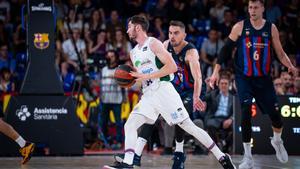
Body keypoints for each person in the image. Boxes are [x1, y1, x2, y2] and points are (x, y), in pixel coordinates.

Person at [103, 15, 236, 169]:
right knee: (130, 124)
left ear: (137, 27)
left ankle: (222, 157)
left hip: (164, 91)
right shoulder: (133, 53)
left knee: (189, 127)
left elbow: (172, 67)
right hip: (149, 95)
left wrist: (146, 76)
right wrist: (131, 81)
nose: (127, 30)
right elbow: (142, 78)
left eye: (129, 27)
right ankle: (128, 163)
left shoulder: (153, 43)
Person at [208, 0, 299, 168]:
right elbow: (224, 51)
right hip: (244, 78)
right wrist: (215, 72)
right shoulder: (240, 27)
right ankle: (248, 157)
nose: (253, 10)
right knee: (245, 111)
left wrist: (291, 66)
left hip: (263, 80)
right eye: (250, 7)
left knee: (276, 117)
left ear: (263, 8)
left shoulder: (271, 28)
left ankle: (277, 141)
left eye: (256, 7)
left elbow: (280, 52)